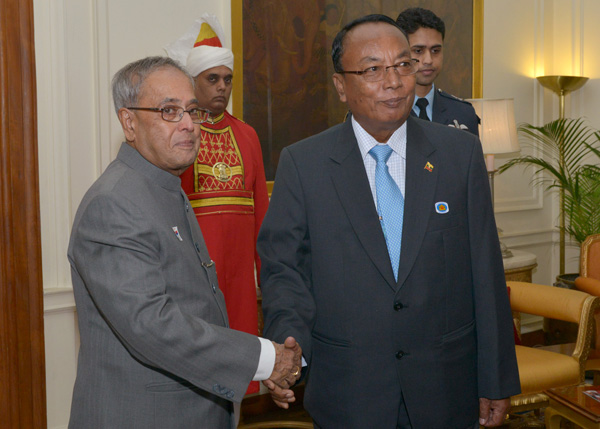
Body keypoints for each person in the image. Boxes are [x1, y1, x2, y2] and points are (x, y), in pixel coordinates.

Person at [258, 15, 520, 428]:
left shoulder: (459, 154)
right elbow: (284, 270)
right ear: (341, 86)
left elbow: (486, 275)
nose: (393, 81)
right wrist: (289, 345)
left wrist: (496, 377)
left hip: (447, 387)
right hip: (350, 389)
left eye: (403, 64)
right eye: (372, 69)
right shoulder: (303, 164)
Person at [67, 56, 301, 428]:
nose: (190, 125)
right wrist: (263, 359)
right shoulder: (113, 204)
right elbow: (152, 325)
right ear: (129, 122)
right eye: (169, 111)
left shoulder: (165, 187)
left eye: (193, 110)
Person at [165, 15, 270, 395]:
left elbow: (262, 215)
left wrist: (267, 281)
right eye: (213, 79)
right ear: (192, 81)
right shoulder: (177, 135)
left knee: (240, 376)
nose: (222, 87)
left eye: (228, 79)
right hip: (193, 276)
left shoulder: (248, 135)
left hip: (241, 279)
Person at [396, 7, 479, 136]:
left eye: (435, 51)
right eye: (418, 51)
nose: (428, 60)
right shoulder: (385, 111)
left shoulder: (463, 112)